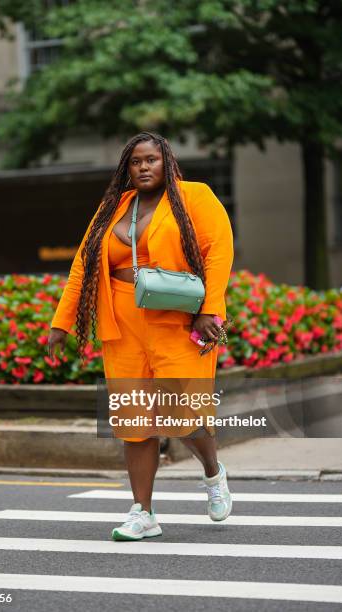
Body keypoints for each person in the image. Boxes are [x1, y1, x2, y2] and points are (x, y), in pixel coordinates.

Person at [48, 131, 234, 541]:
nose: (143, 167)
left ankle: (212, 472)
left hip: (177, 322)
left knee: (185, 415)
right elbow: (82, 265)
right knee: (135, 421)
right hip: (122, 325)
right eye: (135, 161)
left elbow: (218, 252)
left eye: (151, 159)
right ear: (126, 168)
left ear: (166, 161)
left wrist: (209, 311)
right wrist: (61, 323)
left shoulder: (195, 197)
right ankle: (143, 512)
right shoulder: (113, 207)